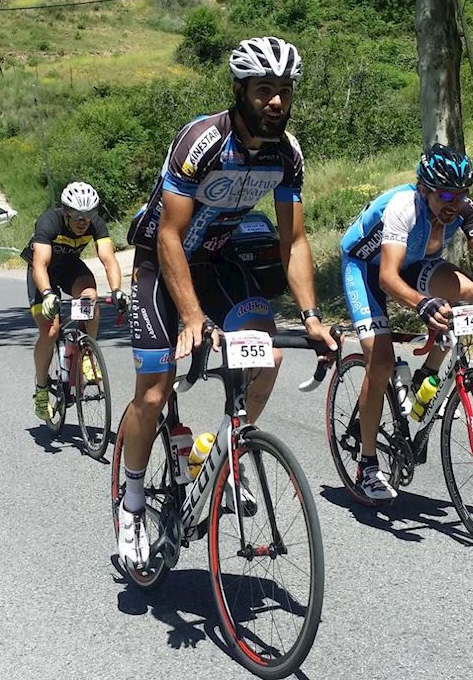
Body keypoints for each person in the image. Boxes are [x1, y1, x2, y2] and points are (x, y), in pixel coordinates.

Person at [116, 36, 335, 570]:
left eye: (285, 90)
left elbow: (295, 241)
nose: (277, 101)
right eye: (264, 90)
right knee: (154, 390)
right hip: (158, 262)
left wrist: (310, 316)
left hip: (215, 261)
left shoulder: (288, 154)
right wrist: (191, 317)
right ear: (240, 91)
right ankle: (132, 503)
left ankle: (225, 456)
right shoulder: (202, 140)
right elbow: (169, 235)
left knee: (268, 358)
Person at [338, 144, 473, 502]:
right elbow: (388, 277)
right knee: (382, 360)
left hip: (411, 262)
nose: (455, 203)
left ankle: (426, 375)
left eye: (462, 193)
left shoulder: (462, 209)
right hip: (365, 268)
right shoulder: (403, 207)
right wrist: (422, 304)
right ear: (425, 189)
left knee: (467, 290)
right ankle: (368, 466)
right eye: (447, 194)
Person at [23, 181, 127, 421]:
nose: (84, 221)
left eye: (89, 215)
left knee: (90, 299)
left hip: (70, 268)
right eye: (78, 216)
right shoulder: (49, 221)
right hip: (43, 274)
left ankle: (86, 355)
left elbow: (108, 259)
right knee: (50, 332)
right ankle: (41, 391)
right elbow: (40, 264)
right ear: (66, 213)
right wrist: (48, 294)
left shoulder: (96, 224)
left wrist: (117, 290)